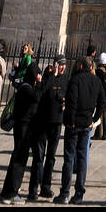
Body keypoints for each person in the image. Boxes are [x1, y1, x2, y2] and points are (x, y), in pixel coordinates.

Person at [54, 57, 105, 205]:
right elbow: (102, 101)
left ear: (81, 66)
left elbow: (72, 102)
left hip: (74, 124)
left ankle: (64, 193)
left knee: (69, 159)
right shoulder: (96, 81)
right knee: (82, 159)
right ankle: (79, 194)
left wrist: (70, 121)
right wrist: (94, 119)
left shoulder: (75, 80)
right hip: (86, 125)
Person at [1, 61, 45, 203]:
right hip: (23, 128)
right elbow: (38, 96)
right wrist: (42, 81)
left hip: (24, 128)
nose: (40, 76)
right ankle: (11, 193)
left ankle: (8, 191)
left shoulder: (25, 87)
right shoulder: (26, 88)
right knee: (19, 159)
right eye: (38, 74)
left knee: (17, 158)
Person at [34, 56, 67, 198]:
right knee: (39, 156)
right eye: (60, 65)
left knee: (51, 157)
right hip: (43, 121)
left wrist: (66, 102)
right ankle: (34, 186)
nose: (63, 68)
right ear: (55, 65)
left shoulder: (66, 79)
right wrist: (52, 75)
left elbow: (70, 95)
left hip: (57, 121)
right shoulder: (48, 76)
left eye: (64, 65)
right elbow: (41, 92)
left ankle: (46, 186)